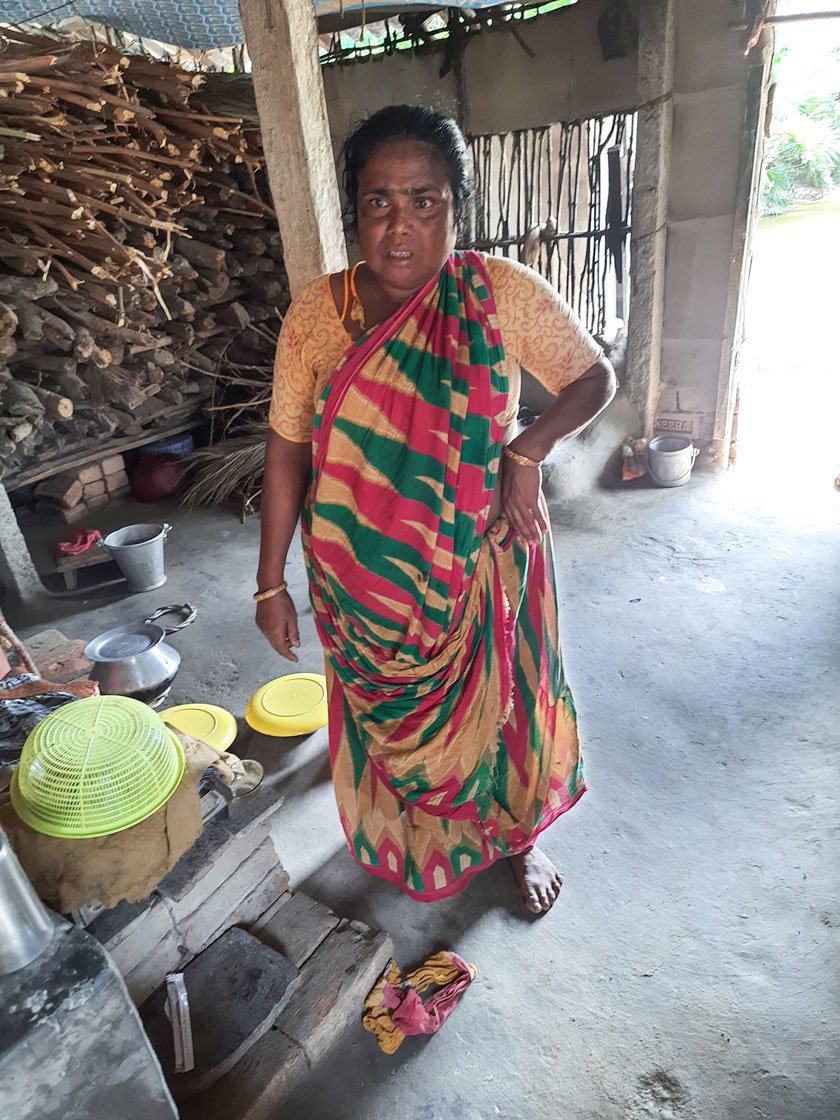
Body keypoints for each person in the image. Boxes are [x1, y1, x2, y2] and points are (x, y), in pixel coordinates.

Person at [256, 105, 616, 915]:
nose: (399, 229)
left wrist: (525, 454)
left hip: (481, 563)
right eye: (379, 202)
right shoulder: (318, 314)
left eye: (425, 201)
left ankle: (518, 841)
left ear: (458, 204)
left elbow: (595, 379)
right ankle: (418, 835)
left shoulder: (497, 295)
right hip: (363, 582)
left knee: (505, 709)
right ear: (354, 211)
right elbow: (287, 450)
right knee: (389, 720)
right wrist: (269, 581)